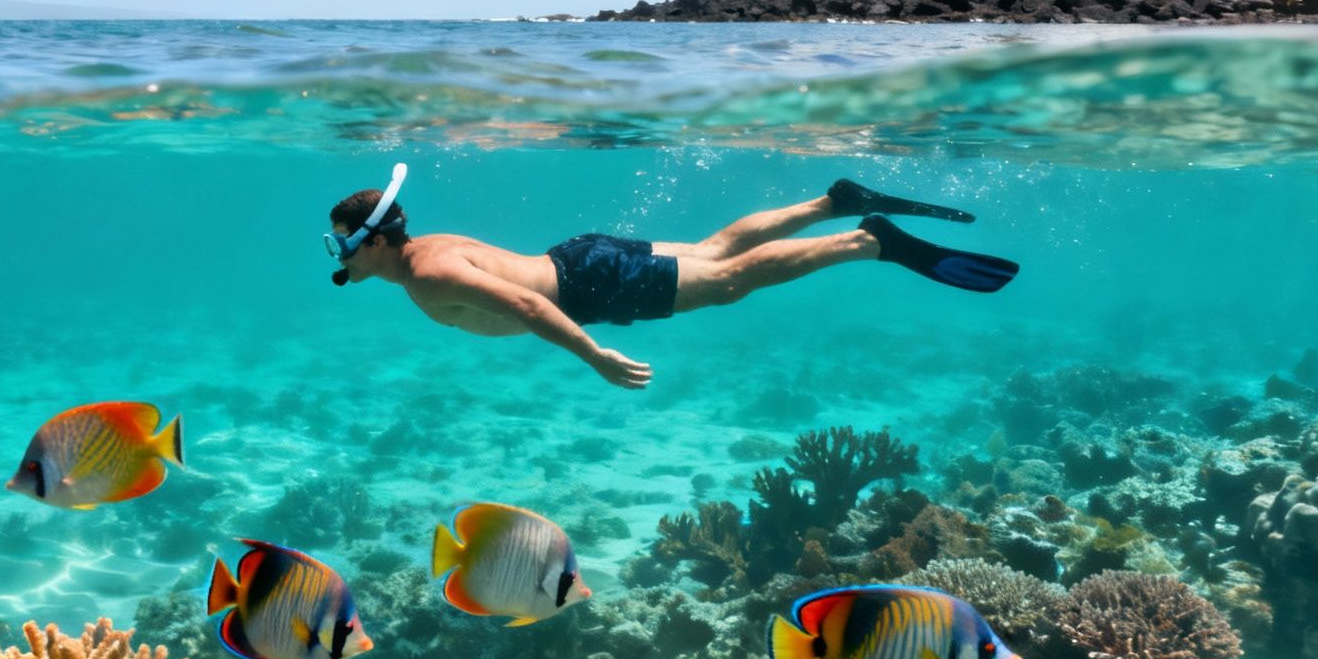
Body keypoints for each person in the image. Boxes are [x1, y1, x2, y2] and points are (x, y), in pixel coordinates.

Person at [323, 166, 1019, 389]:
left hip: (584, 288)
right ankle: (834, 201)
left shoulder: (426, 273)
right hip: (579, 257)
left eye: (341, 243)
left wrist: (594, 355)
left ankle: (866, 241)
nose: (336, 255)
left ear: (373, 241)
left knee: (727, 281)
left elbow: (524, 308)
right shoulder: (423, 248)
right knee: (714, 250)